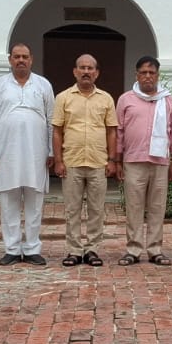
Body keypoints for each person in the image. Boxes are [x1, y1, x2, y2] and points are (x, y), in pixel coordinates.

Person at [0, 42, 54, 266]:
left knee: (35, 202)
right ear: (10, 60)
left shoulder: (43, 85)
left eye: (25, 56)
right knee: (8, 202)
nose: (21, 60)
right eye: (16, 56)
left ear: (31, 59)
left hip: (36, 152)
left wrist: (52, 151)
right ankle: (12, 249)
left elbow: (52, 121)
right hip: (6, 153)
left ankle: (32, 248)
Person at [52, 54, 118, 267]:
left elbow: (111, 131)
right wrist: (58, 161)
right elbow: (57, 131)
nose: (86, 72)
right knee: (72, 209)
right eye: (82, 68)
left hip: (98, 162)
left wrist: (112, 160)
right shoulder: (63, 98)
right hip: (71, 161)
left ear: (96, 73)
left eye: (90, 68)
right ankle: (73, 250)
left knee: (96, 209)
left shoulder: (106, 99)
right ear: (75, 71)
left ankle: (92, 250)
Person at [115, 55, 172, 266]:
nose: (147, 76)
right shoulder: (126, 99)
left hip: (160, 162)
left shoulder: (167, 100)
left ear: (157, 75)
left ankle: (155, 250)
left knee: (157, 207)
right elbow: (119, 131)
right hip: (133, 161)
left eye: (152, 73)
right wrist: (117, 160)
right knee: (134, 207)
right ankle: (133, 250)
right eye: (143, 72)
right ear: (136, 75)